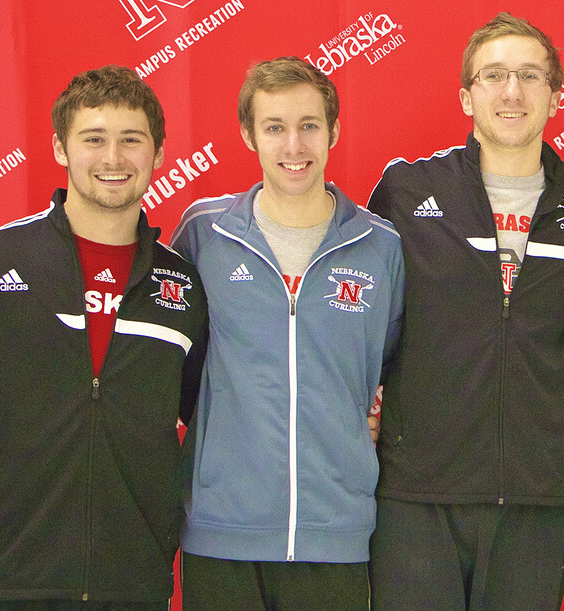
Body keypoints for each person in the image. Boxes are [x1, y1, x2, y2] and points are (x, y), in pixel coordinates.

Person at [366, 11, 564, 610]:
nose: (512, 91)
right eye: (494, 75)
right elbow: (357, 313)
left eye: (530, 76)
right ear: (466, 96)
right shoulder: (407, 191)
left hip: (538, 495)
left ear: (556, 95)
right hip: (417, 493)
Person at [0, 65, 208, 609]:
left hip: (130, 586)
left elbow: (212, 421)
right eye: (94, 139)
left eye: (131, 140)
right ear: (62, 149)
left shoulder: (181, 285)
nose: (113, 159)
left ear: (158, 154)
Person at [170, 56, 403, 610]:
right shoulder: (204, 235)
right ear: (249, 134)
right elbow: (171, 364)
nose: (293, 146)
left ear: (334, 131)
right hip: (222, 530)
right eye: (275, 128)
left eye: (309, 126)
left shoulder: (381, 246)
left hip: (336, 534)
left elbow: (389, 364)